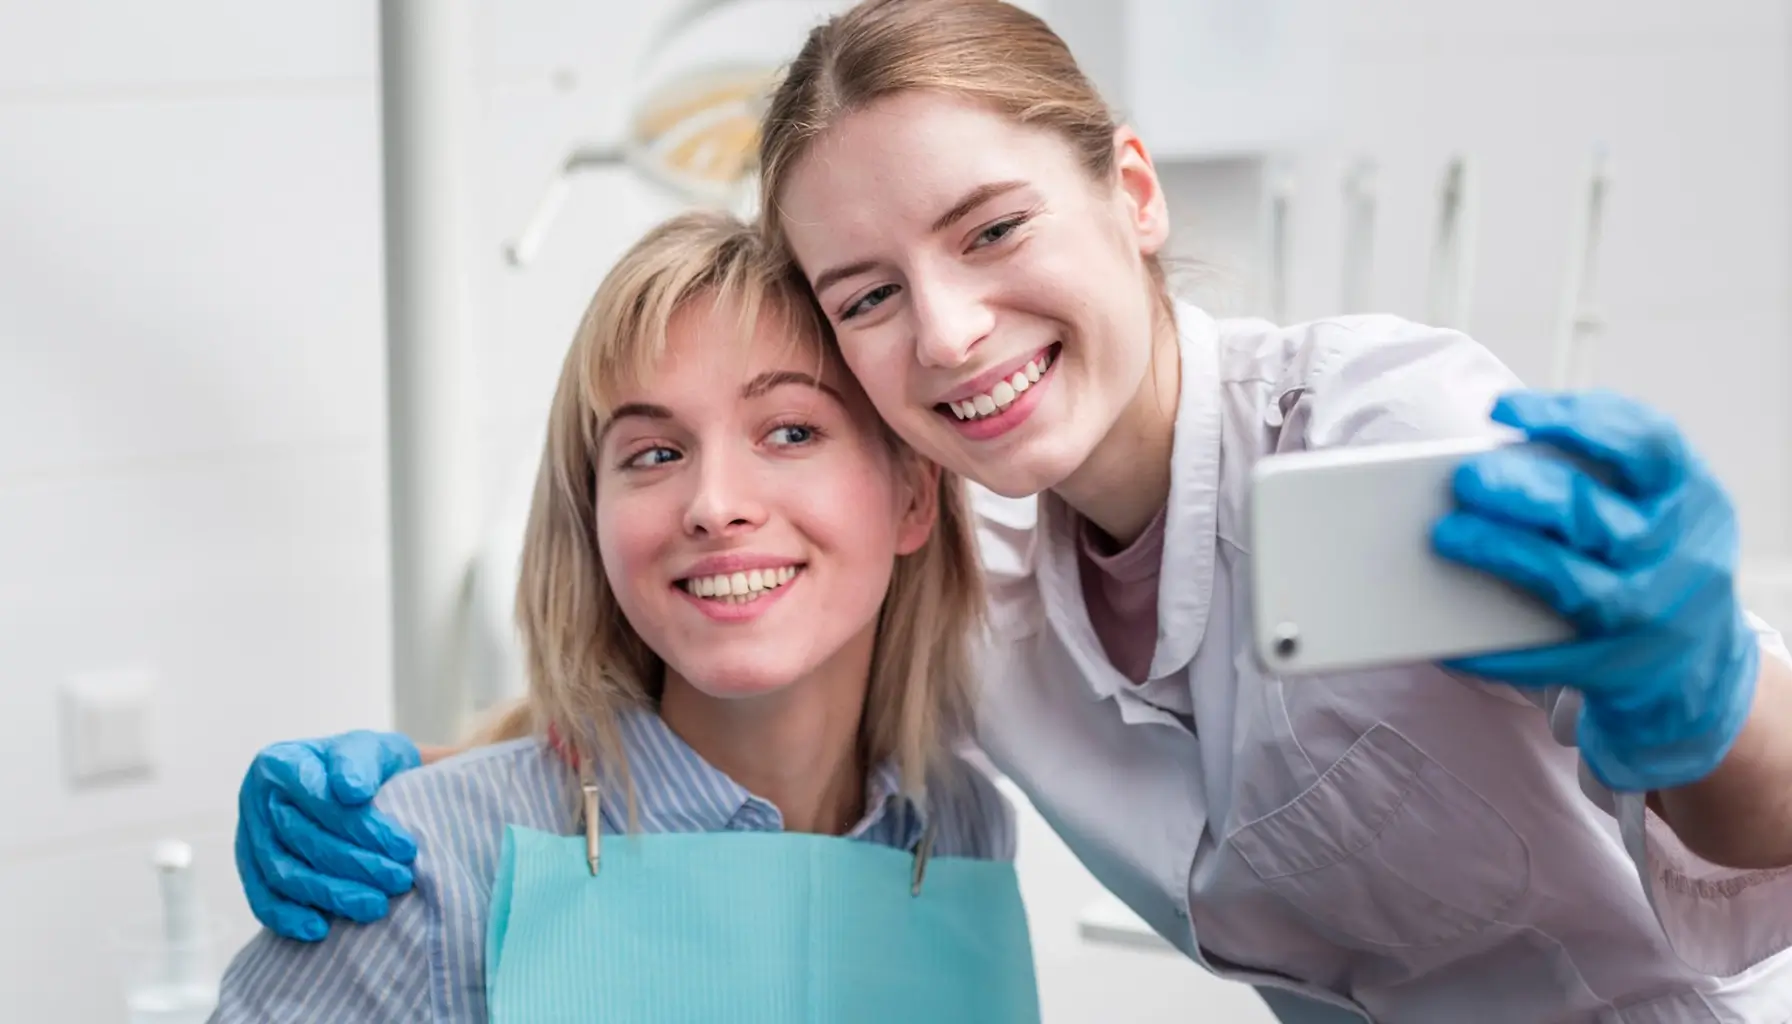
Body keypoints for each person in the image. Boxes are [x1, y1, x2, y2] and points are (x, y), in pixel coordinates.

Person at [234, 1, 1792, 1018]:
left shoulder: (1385, 430)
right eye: (870, 295)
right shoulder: (981, 587)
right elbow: (725, 681)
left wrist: (1707, 685)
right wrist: (402, 795)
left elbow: (1758, 846)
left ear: (1131, 190)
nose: (954, 330)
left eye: (992, 230)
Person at [212, 210, 1038, 1023]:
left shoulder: (957, 825)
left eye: (790, 431)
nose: (715, 506)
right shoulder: (418, 870)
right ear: (595, 522)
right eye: (656, 454)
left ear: (912, 497)